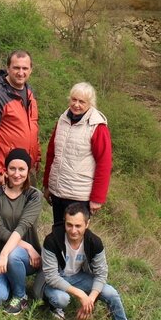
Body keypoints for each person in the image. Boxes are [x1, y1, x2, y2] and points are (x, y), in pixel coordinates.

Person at [41, 203, 131, 320]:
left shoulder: (94, 242)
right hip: (55, 279)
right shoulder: (52, 240)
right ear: (64, 222)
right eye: (69, 225)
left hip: (78, 277)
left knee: (111, 293)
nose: (73, 230)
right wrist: (81, 295)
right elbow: (51, 277)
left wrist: (90, 299)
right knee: (62, 299)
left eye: (78, 226)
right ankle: (54, 307)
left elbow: (101, 274)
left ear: (87, 224)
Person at [0, 148, 44, 315]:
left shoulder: (34, 195)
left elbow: (22, 226)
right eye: (12, 169)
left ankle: (20, 296)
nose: (17, 174)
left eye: (22, 169)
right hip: (0, 254)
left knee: (13, 254)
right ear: (6, 170)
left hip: (25, 258)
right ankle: (12, 279)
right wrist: (25, 246)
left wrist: (8, 253)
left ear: (28, 171)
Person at [42, 82, 113, 226]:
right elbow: (52, 154)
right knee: (58, 232)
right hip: (58, 191)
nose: (76, 105)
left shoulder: (97, 127)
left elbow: (104, 164)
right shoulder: (62, 120)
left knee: (75, 237)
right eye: (74, 99)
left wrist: (97, 198)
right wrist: (47, 185)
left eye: (82, 102)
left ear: (90, 104)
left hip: (79, 195)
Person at [0, 50, 40, 186]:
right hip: (7, 170)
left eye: (25, 68)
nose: (21, 72)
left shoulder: (30, 92)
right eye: (16, 68)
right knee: (3, 207)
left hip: (27, 168)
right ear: (8, 68)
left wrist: (37, 157)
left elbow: (33, 126)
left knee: (28, 207)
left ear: (31, 70)